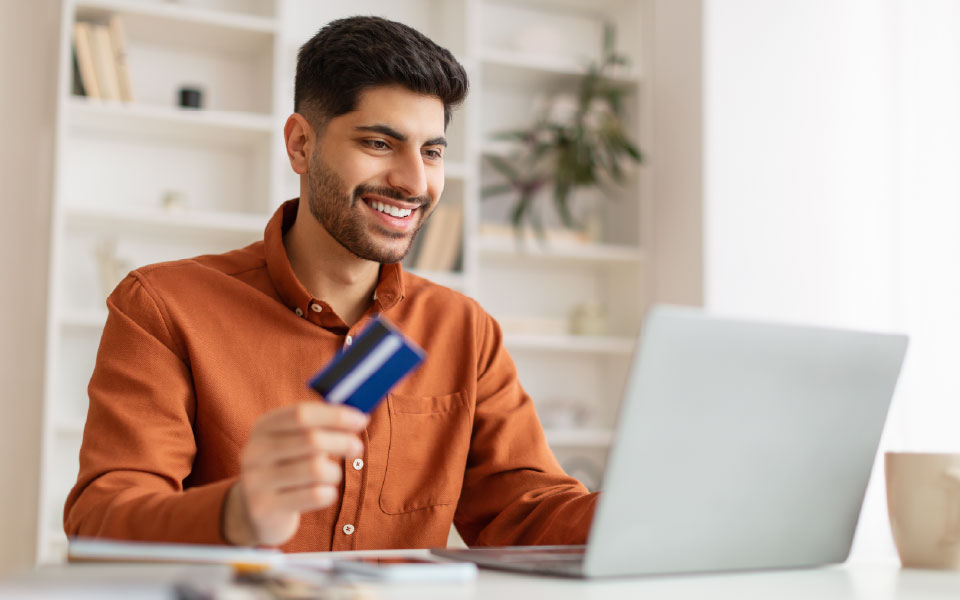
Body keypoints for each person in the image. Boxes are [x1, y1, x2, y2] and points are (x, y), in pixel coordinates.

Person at [64, 15, 597, 552]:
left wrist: (657, 510)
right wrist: (237, 513)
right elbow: (101, 520)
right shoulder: (164, 306)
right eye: (379, 143)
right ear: (300, 145)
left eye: (431, 152)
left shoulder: (464, 329)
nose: (415, 182)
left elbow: (527, 514)